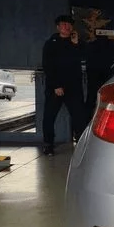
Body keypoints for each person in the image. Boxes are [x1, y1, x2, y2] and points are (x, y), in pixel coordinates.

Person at [41, 14, 87, 156]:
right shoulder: (51, 43)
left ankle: (81, 143)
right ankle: (48, 144)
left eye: (69, 24)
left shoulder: (76, 43)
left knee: (79, 116)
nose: (67, 27)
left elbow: (84, 57)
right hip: (55, 87)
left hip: (73, 87)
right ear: (58, 27)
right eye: (64, 24)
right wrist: (56, 85)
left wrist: (76, 44)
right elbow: (48, 66)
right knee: (49, 116)